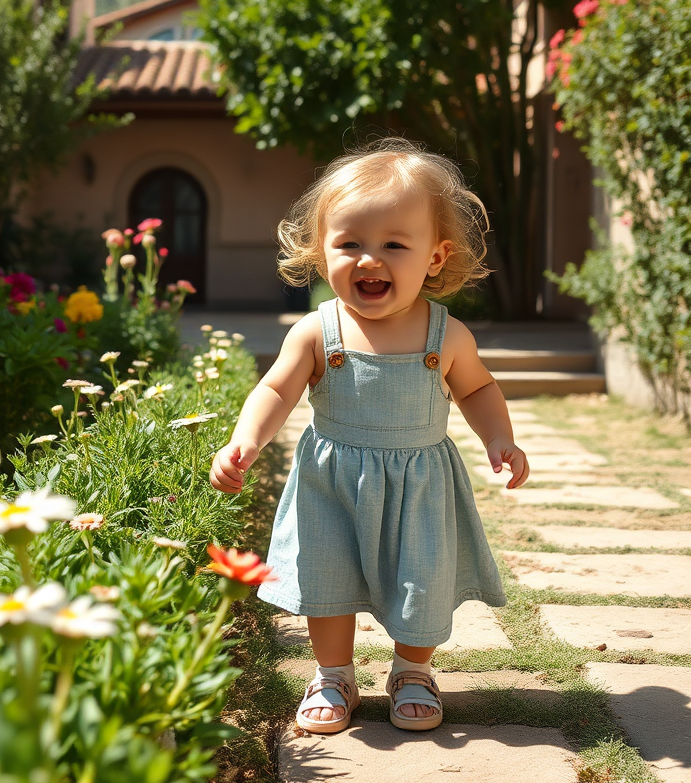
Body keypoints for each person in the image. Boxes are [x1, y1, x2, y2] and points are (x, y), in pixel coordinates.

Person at [210, 142, 529, 734]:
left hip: (419, 486)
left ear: (435, 258)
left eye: (393, 245)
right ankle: (333, 674)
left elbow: (479, 390)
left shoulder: (447, 334)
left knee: (421, 579)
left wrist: (499, 438)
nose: (368, 260)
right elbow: (276, 390)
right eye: (349, 243)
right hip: (330, 484)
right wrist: (246, 441)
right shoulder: (317, 330)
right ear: (321, 250)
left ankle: (412, 670)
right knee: (328, 579)